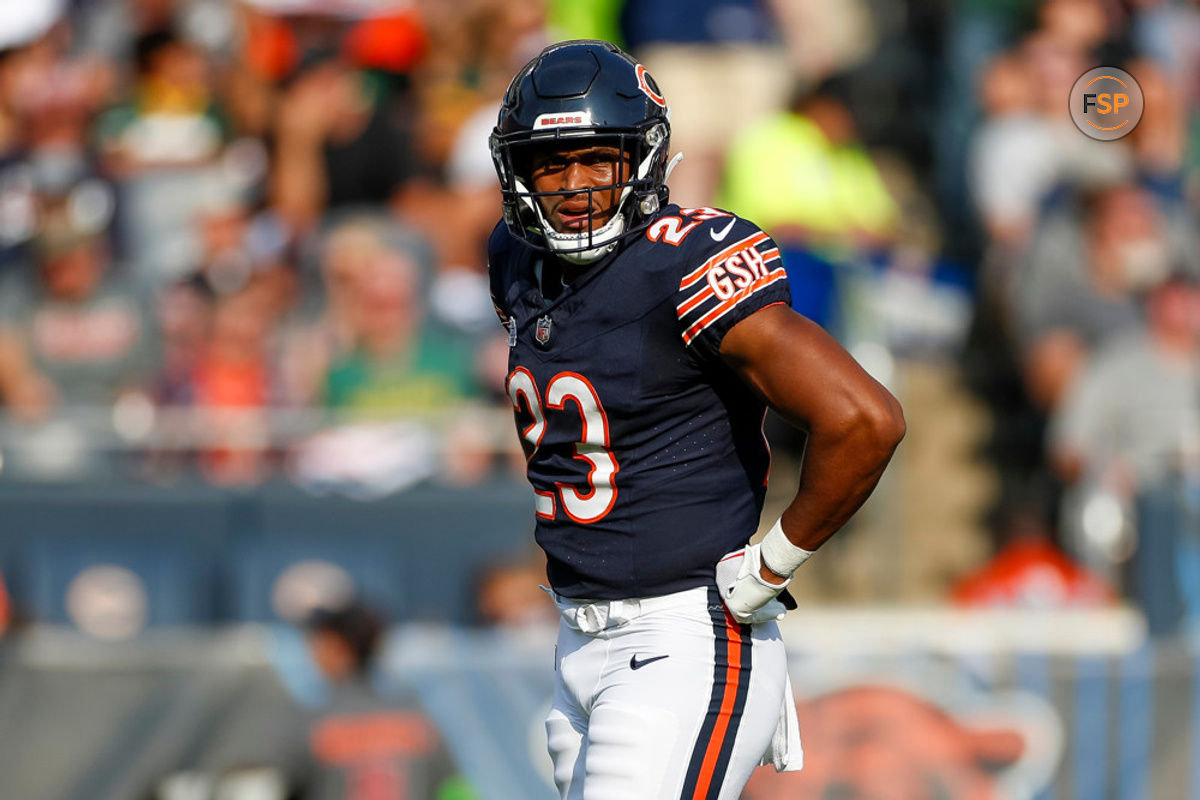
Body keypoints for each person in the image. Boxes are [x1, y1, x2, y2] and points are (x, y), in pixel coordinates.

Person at [487, 40, 905, 799]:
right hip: (577, 635)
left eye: (597, 159)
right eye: (551, 163)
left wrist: (774, 562)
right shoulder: (516, 260)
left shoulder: (685, 261)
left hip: (685, 635)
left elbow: (864, 417)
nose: (575, 184)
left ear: (642, 159)